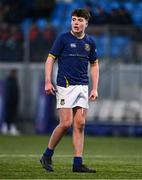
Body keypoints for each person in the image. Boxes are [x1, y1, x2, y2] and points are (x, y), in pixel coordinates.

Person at [40, 8, 99, 173]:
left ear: (86, 23)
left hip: (82, 86)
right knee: (66, 123)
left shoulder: (90, 42)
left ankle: (77, 163)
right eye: (74, 19)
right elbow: (50, 60)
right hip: (65, 85)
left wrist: (94, 88)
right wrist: (47, 81)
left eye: (80, 20)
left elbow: (94, 65)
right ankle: (47, 154)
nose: (76, 23)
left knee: (80, 124)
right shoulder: (63, 39)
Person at [1, 69, 20, 135]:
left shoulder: (12, 80)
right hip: (10, 101)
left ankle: (9, 128)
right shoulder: (10, 81)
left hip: (12, 101)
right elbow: (10, 92)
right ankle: (6, 128)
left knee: (11, 115)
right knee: (9, 114)